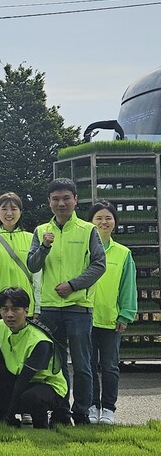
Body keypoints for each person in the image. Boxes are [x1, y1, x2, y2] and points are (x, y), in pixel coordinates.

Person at [27, 178, 106, 425]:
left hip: (79, 308)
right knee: (56, 364)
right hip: (50, 307)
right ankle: (61, 410)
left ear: (75, 200)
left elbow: (99, 265)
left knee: (83, 365)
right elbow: (32, 264)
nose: (61, 203)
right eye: (56, 199)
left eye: (66, 198)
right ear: (49, 202)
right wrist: (44, 247)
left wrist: (73, 285)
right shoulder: (41, 231)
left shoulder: (88, 230)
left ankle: (82, 411)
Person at [0, 286, 71, 429]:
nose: (9, 314)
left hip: (48, 385)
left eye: (15, 309)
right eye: (4, 309)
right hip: (18, 377)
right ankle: (8, 421)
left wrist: (9, 416)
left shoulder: (40, 341)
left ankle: (41, 427)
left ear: (26, 310)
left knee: (31, 397)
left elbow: (23, 381)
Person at [87, 201, 137, 425]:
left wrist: (125, 314)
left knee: (109, 366)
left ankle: (108, 408)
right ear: (90, 222)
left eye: (108, 218)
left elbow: (128, 287)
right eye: (98, 218)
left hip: (110, 320)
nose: (103, 222)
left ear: (115, 223)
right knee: (87, 365)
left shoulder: (123, 253)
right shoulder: (83, 250)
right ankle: (91, 405)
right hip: (85, 317)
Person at [0, 192, 39, 318]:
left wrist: (38, 308)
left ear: (20, 212)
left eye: (14, 209)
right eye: (4, 209)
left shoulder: (31, 238)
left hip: (24, 306)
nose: (9, 213)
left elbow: (37, 276)